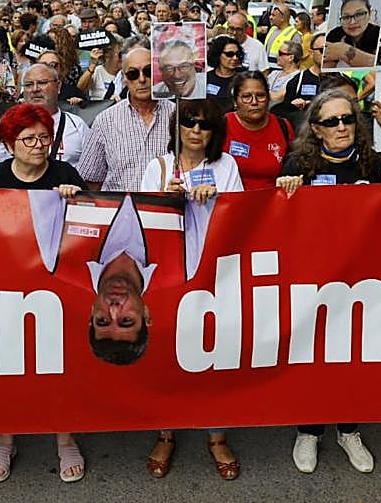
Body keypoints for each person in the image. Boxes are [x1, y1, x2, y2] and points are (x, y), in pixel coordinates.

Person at [275, 89, 381, 475]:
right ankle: (309, 430)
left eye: (348, 119)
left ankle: (348, 429)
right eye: (331, 122)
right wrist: (287, 192)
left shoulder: (369, 160)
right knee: (313, 353)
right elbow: (278, 218)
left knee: (351, 354)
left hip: (360, 276)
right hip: (312, 275)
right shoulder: (298, 162)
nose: (342, 127)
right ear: (316, 129)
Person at [0, 104, 87, 484]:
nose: (38, 145)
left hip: (56, 289)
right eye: (28, 139)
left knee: (59, 363)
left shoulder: (65, 173)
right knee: (9, 364)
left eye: (44, 138)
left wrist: (75, 197)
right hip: (6, 290)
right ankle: (6, 436)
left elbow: (87, 228)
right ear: (10, 144)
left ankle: (65, 438)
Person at [138, 98, 243, 481]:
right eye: (190, 122)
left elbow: (240, 218)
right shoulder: (158, 167)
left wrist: (217, 200)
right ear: (177, 127)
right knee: (168, 352)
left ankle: (216, 436)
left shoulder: (225, 165)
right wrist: (165, 198)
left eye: (205, 125)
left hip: (215, 272)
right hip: (168, 273)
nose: (196, 130)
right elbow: (142, 225)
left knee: (215, 353)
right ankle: (166, 431)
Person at [78, 45, 175, 191]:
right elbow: (91, 182)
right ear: (124, 77)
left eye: (148, 71)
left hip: (165, 211)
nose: (142, 79)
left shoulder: (177, 116)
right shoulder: (105, 121)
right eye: (133, 74)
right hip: (119, 211)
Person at [0, 63, 88, 167]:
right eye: (29, 85)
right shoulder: (9, 123)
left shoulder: (77, 125)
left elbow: (92, 172)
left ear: (58, 86)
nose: (35, 89)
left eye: (42, 83)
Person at [224, 71, 293, 189]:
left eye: (260, 96)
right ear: (235, 101)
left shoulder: (283, 126)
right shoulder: (222, 125)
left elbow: (294, 167)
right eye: (246, 97)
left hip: (274, 203)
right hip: (231, 202)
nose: (254, 102)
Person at [323, 0, 378, 69]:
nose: (352, 22)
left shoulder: (379, 33)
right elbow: (326, 66)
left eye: (359, 14)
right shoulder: (335, 34)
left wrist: (344, 51)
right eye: (346, 17)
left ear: (370, 14)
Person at [77, 32, 123, 100]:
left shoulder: (125, 73)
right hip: (98, 108)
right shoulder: (97, 71)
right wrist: (93, 65)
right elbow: (80, 89)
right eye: (119, 54)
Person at [206, 34, 245, 100]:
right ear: (217, 54)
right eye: (229, 54)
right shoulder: (207, 78)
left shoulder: (244, 77)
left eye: (238, 54)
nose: (235, 58)